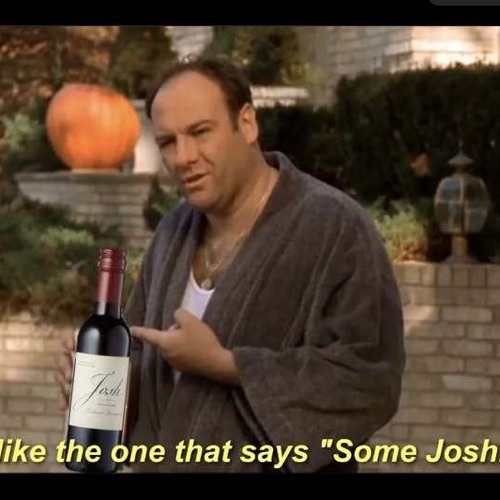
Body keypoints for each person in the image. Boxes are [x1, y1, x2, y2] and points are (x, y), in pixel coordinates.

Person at [58, 56, 405, 473]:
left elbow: (369, 378)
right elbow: (145, 373)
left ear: (247, 123)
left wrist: (225, 364)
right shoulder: (173, 231)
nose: (183, 157)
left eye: (200, 132)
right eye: (167, 142)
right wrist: (103, 387)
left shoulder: (334, 227)